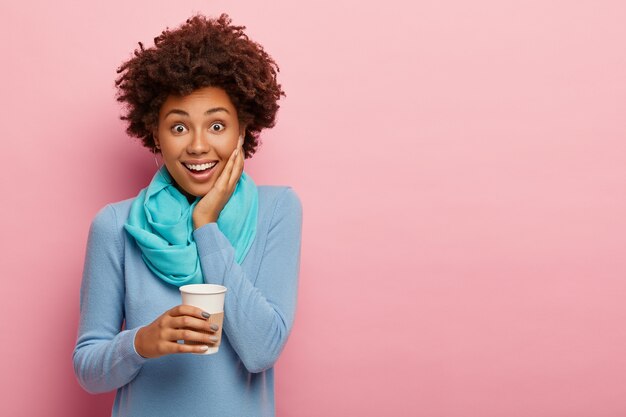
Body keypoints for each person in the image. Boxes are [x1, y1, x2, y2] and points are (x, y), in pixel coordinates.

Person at [73, 14, 302, 417]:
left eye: (216, 125)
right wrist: (141, 343)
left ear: (242, 131)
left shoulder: (277, 210)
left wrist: (206, 225)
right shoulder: (115, 225)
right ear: (155, 133)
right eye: (179, 128)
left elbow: (261, 350)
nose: (198, 146)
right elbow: (88, 370)